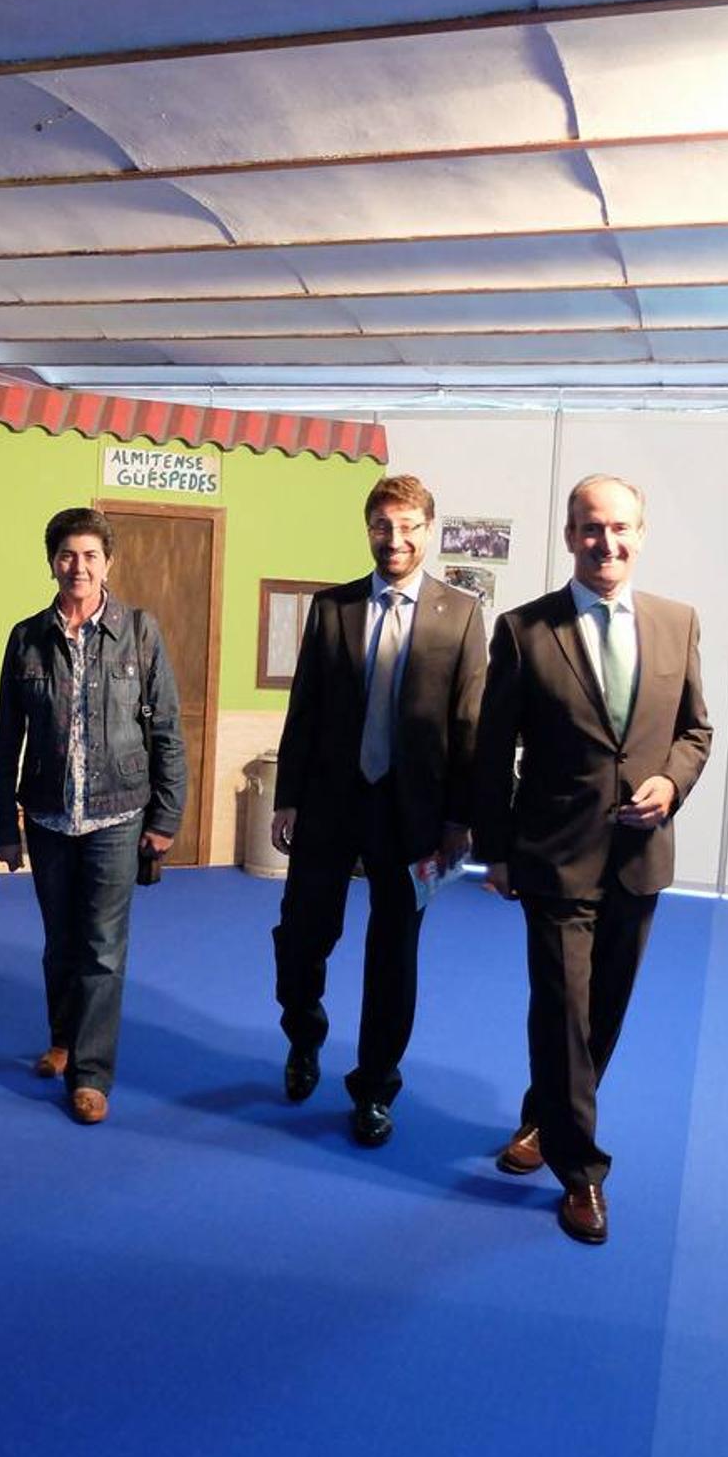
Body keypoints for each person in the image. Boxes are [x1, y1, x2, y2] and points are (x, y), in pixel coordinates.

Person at [473, 474, 712, 1245]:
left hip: (640, 857)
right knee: (562, 1009)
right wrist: (493, 849)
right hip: (553, 857)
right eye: (590, 528)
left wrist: (671, 783)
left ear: (640, 533)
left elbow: (695, 731)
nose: (605, 542)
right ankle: (581, 1171)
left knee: (603, 1009)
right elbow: (491, 751)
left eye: (619, 527)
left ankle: (544, 1119)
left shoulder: (677, 623)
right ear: (570, 535)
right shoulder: (523, 630)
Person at [270, 473, 487, 1146]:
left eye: (408, 527)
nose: (395, 539)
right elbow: (304, 710)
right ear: (368, 530)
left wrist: (459, 820)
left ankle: (373, 1089)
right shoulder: (331, 608)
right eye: (383, 526)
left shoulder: (462, 614)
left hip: (411, 816)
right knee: (301, 938)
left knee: (394, 956)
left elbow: (469, 725)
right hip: (329, 805)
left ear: (429, 531)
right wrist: (287, 797)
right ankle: (304, 1036)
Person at [0, 507, 186, 1124]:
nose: (79, 566)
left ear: (108, 563)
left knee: (101, 946)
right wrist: (3, 825)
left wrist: (166, 815)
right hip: (49, 815)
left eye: (90, 556)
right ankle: (63, 1039)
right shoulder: (26, 637)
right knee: (59, 943)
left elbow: (167, 730)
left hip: (118, 816)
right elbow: (6, 739)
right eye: (67, 555)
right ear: (52, 562)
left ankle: (91, 1073)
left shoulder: (140, 632)